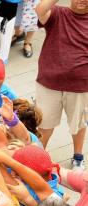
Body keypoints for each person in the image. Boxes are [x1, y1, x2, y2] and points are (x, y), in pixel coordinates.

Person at [35, 0, 88, 170]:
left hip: (81, 85)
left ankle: (78, 156)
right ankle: (38, 157)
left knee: (79, 124)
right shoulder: (57, 13)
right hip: (48, 83)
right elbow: (40, 10)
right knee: (44, 124)